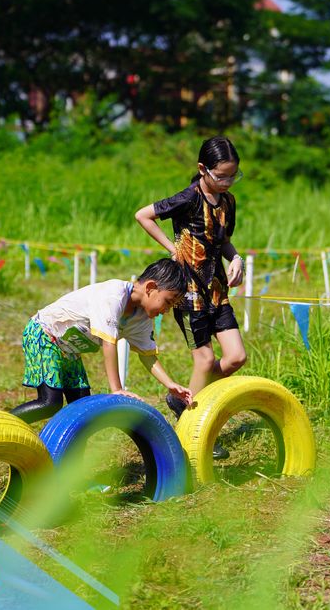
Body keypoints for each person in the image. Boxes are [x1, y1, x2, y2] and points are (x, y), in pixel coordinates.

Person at [135, 136, 247, 459]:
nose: (227, 182)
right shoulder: (188, 198)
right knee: (205, 360)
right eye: (221, 176)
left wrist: (235, 258)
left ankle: (182, 400)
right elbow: (143, 215)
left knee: (236, 356)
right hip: (189, 293)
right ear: (202, 169)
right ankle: (192, 428)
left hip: (217, 290)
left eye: (233, 176)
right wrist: (172, 249)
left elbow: (223, 241)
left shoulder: (228, 202)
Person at [9, 258, 193, 423]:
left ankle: (68, 451)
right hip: (44, 333)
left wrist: (170, 384)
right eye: (168, 302)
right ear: (151, 288)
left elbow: (148, 355)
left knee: (82, 409)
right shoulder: (113, 295)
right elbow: (108, 343)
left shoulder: (142, 318)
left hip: (69, 351)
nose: (167, 310)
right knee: (49, 404)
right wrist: (117, 389)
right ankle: (0, 425)